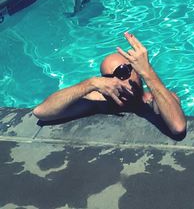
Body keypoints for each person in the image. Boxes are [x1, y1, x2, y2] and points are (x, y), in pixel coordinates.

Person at [33, 32, 186, 136]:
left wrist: (148, 73)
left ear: (137, 71)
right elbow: (41, 112)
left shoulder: (154, 101)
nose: (116, 82)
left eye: (122, 72)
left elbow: (178, 127)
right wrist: (90, 83)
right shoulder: (99, 103)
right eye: (107, 77)